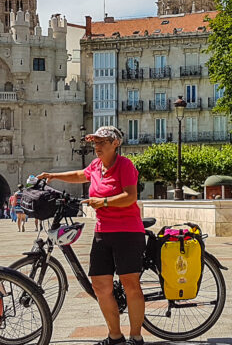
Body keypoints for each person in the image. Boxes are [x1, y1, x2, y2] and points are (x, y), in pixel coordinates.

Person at [37, 125, 145, 345]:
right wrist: (53, 175)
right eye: (95, 142)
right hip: (102, 231)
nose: (96, 146)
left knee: (130, 284)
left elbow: (130, 196)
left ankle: (136, 337)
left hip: (127, 231)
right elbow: (80, 175)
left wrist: (104, 201)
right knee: (100, 285)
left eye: (102, 142)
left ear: (115, 144)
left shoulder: (124, 165)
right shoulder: (96, 166)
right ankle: (115, 336)